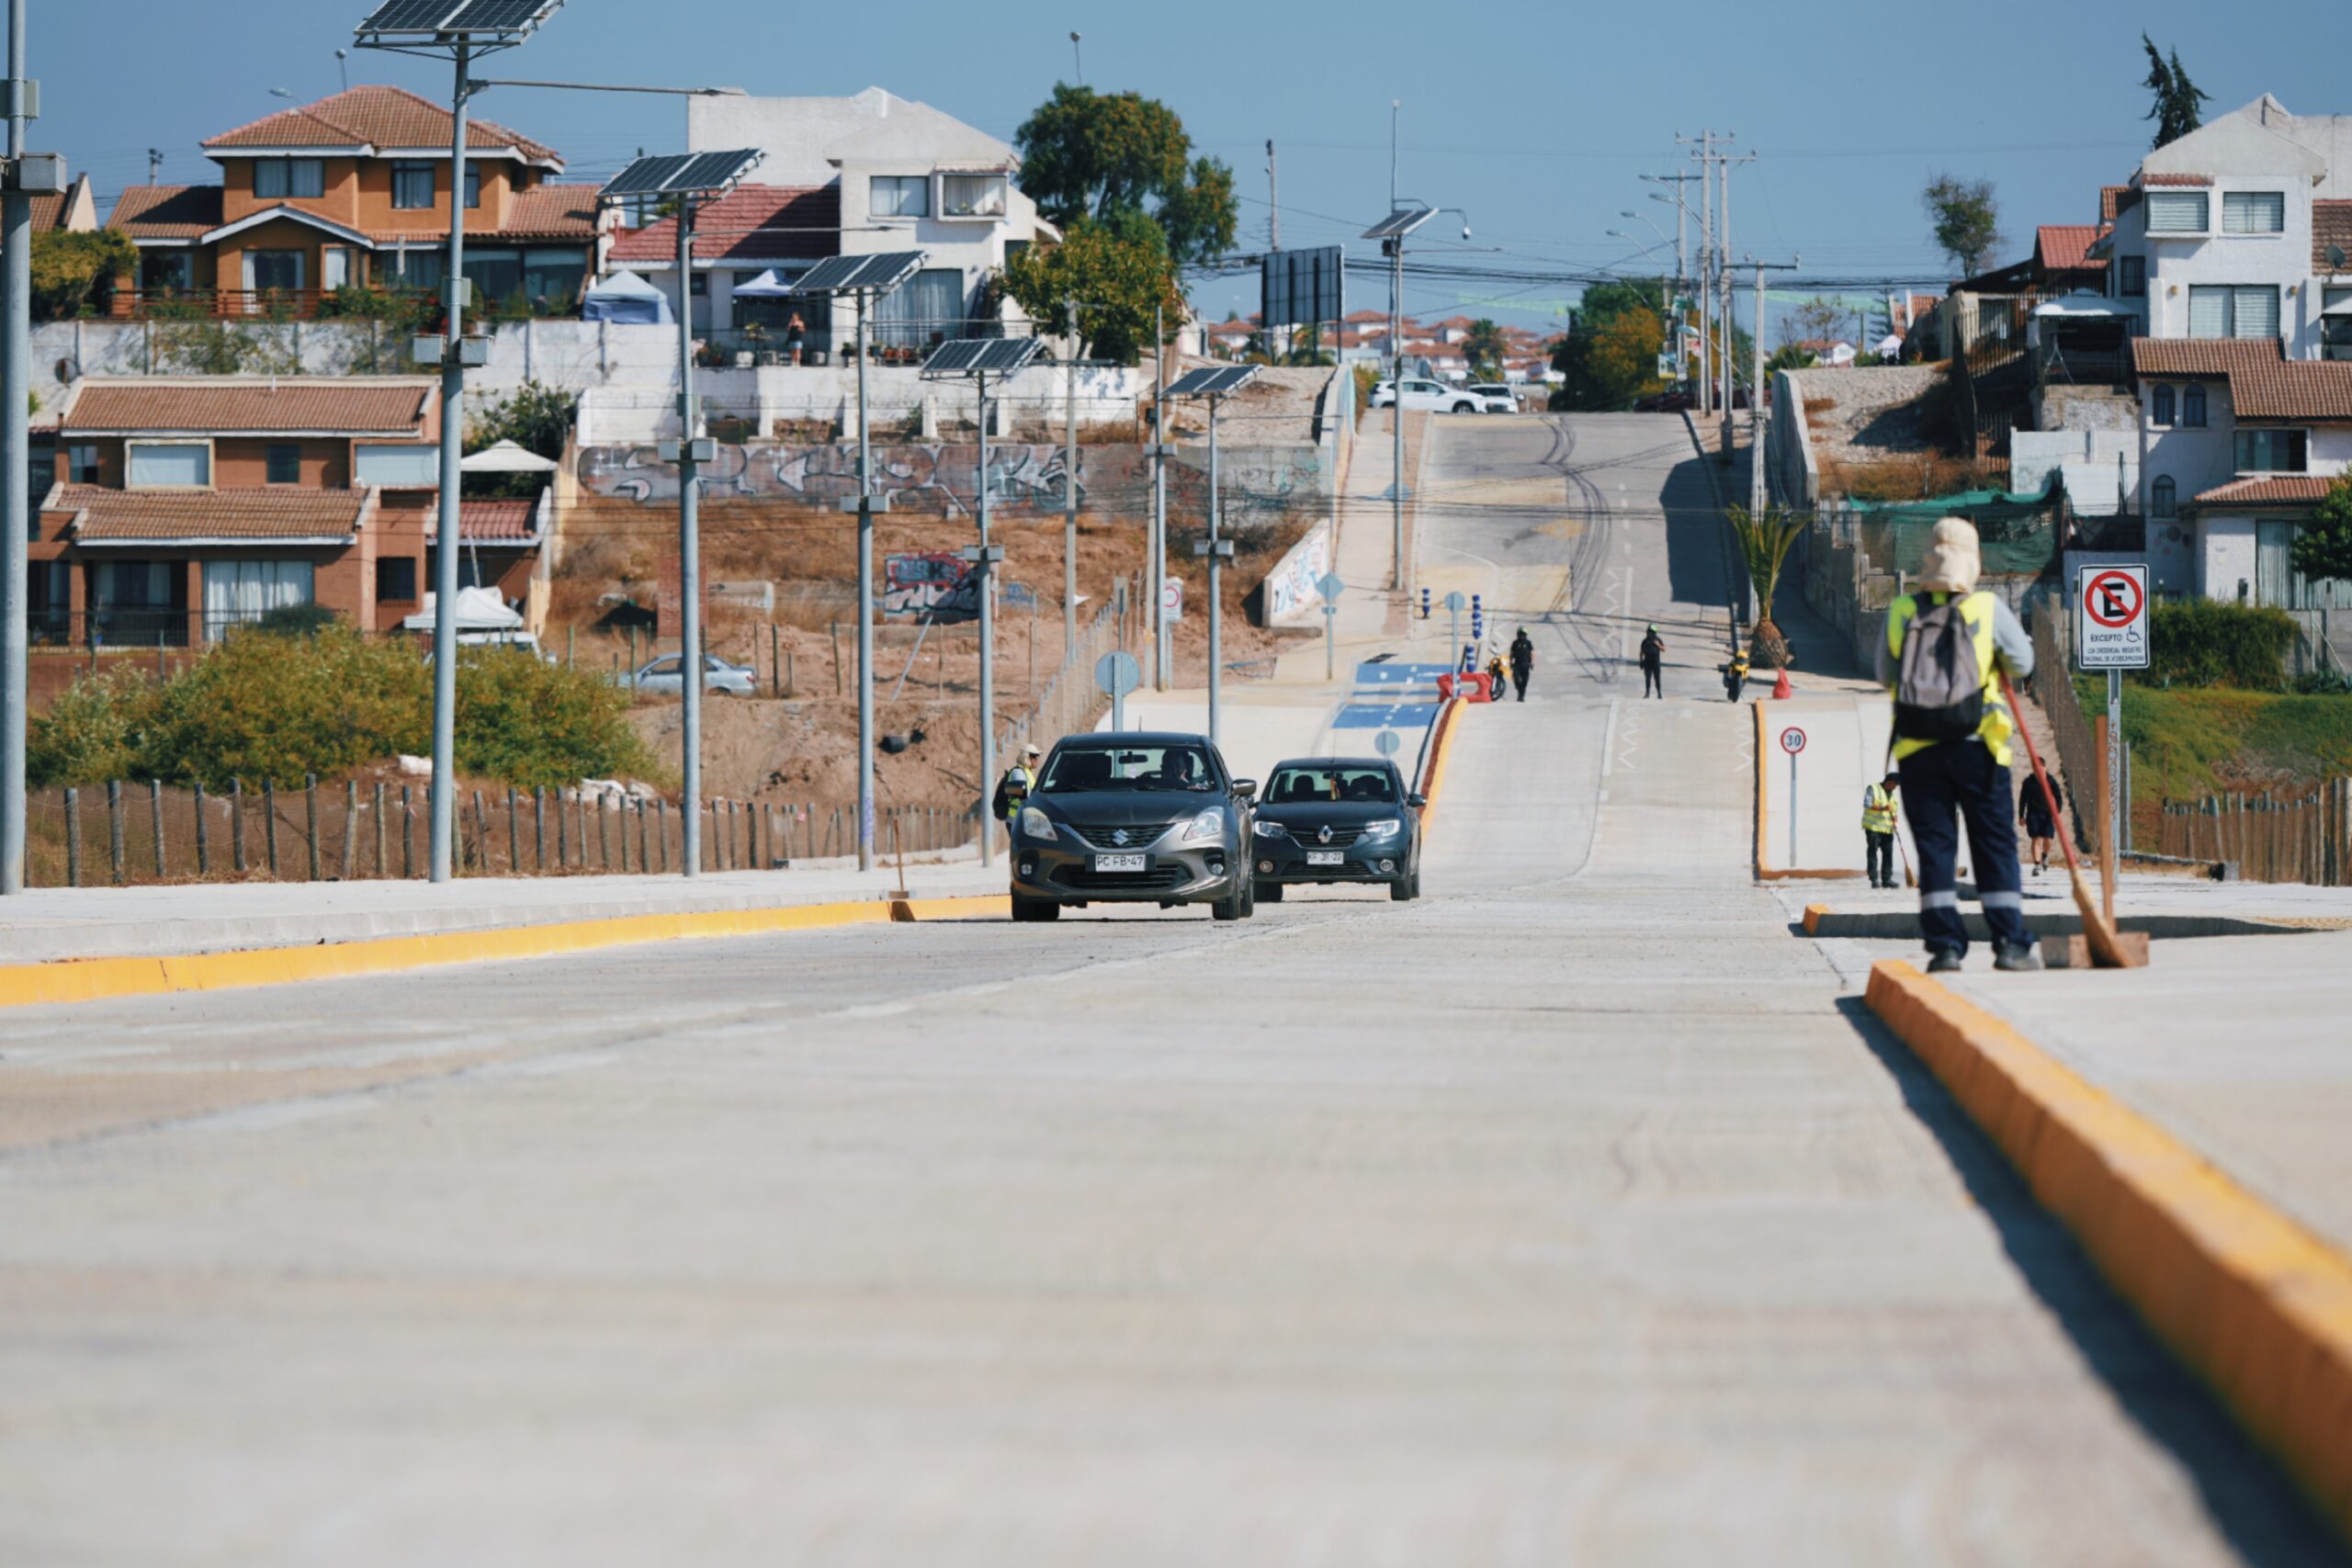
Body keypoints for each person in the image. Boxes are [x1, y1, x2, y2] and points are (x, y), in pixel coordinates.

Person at [1880, 517, 2039, 973]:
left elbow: (1884, 675)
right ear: (1971, 562)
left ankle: (1946, 948)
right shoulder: (1986, 609)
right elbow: (2023, 663)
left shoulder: (1902, 611)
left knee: (1936, 848)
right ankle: (2010, 943)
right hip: (1980, 748)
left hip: (1917, 750)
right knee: (1992, 843)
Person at [2020, 772, 2064, 876]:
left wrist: (2057, 812)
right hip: (2032, 814)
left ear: (2044, 768)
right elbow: (2023, 800)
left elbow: (2058, 797)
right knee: (2035, 838)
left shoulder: (2050, 780)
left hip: (2047, 814)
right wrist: (2021, 815)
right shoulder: (2029, 782)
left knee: (2048, 839)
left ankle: (2045, 855)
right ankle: (2036, 866)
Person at [1862, 772, 1900, 889]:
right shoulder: (1873, 788)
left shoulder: (1892, 796)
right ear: (1889, 782)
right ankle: (1874, 879)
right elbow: (1867, 804)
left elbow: (1894, 811)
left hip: (1887, 829)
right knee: (1873, 853)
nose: (1895, 787)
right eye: (1895, 785)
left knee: (1888, 854)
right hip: (1873, 828)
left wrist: (1895, 822)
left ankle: (1886, 879)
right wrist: (1882, 808)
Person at [993, 742, 1042, 826]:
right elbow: (1023, 794)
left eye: (1038, 756)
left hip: (1024, 818)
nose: (1037, 759)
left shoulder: (1027, 773)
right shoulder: (1018, 772)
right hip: (1016, 820)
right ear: (1027, 757)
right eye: (1034, 756)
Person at [1638, 625, 1665, 698]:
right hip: (1647, 662)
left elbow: (1664, 649)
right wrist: (1641, 661)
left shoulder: (1658, 640)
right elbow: (1641, 652)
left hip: (1656, 663)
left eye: (1650, 632)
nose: (1648, 633)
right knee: (1648, 678)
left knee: (1657, 679)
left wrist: (1658, 645)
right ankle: (1647, 693)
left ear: (1653, 633)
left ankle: (1659, 693)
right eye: (1648, 632)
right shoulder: (1645, 641)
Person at [1509, 628, 1534, 702]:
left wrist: (1532, 663)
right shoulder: (1515, 643)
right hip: (1517, 664)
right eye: (1520, 634)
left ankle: (1521, 696)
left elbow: (1532, 653)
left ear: (1526, 635)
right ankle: (1518, 687)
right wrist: (1511, 663)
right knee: (1517, 679)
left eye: (1523, 634)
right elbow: (1512, 654)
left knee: (1524, 682)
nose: (1522, 636)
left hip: (1526, 664)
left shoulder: (1528, 643)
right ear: (1518, 635)